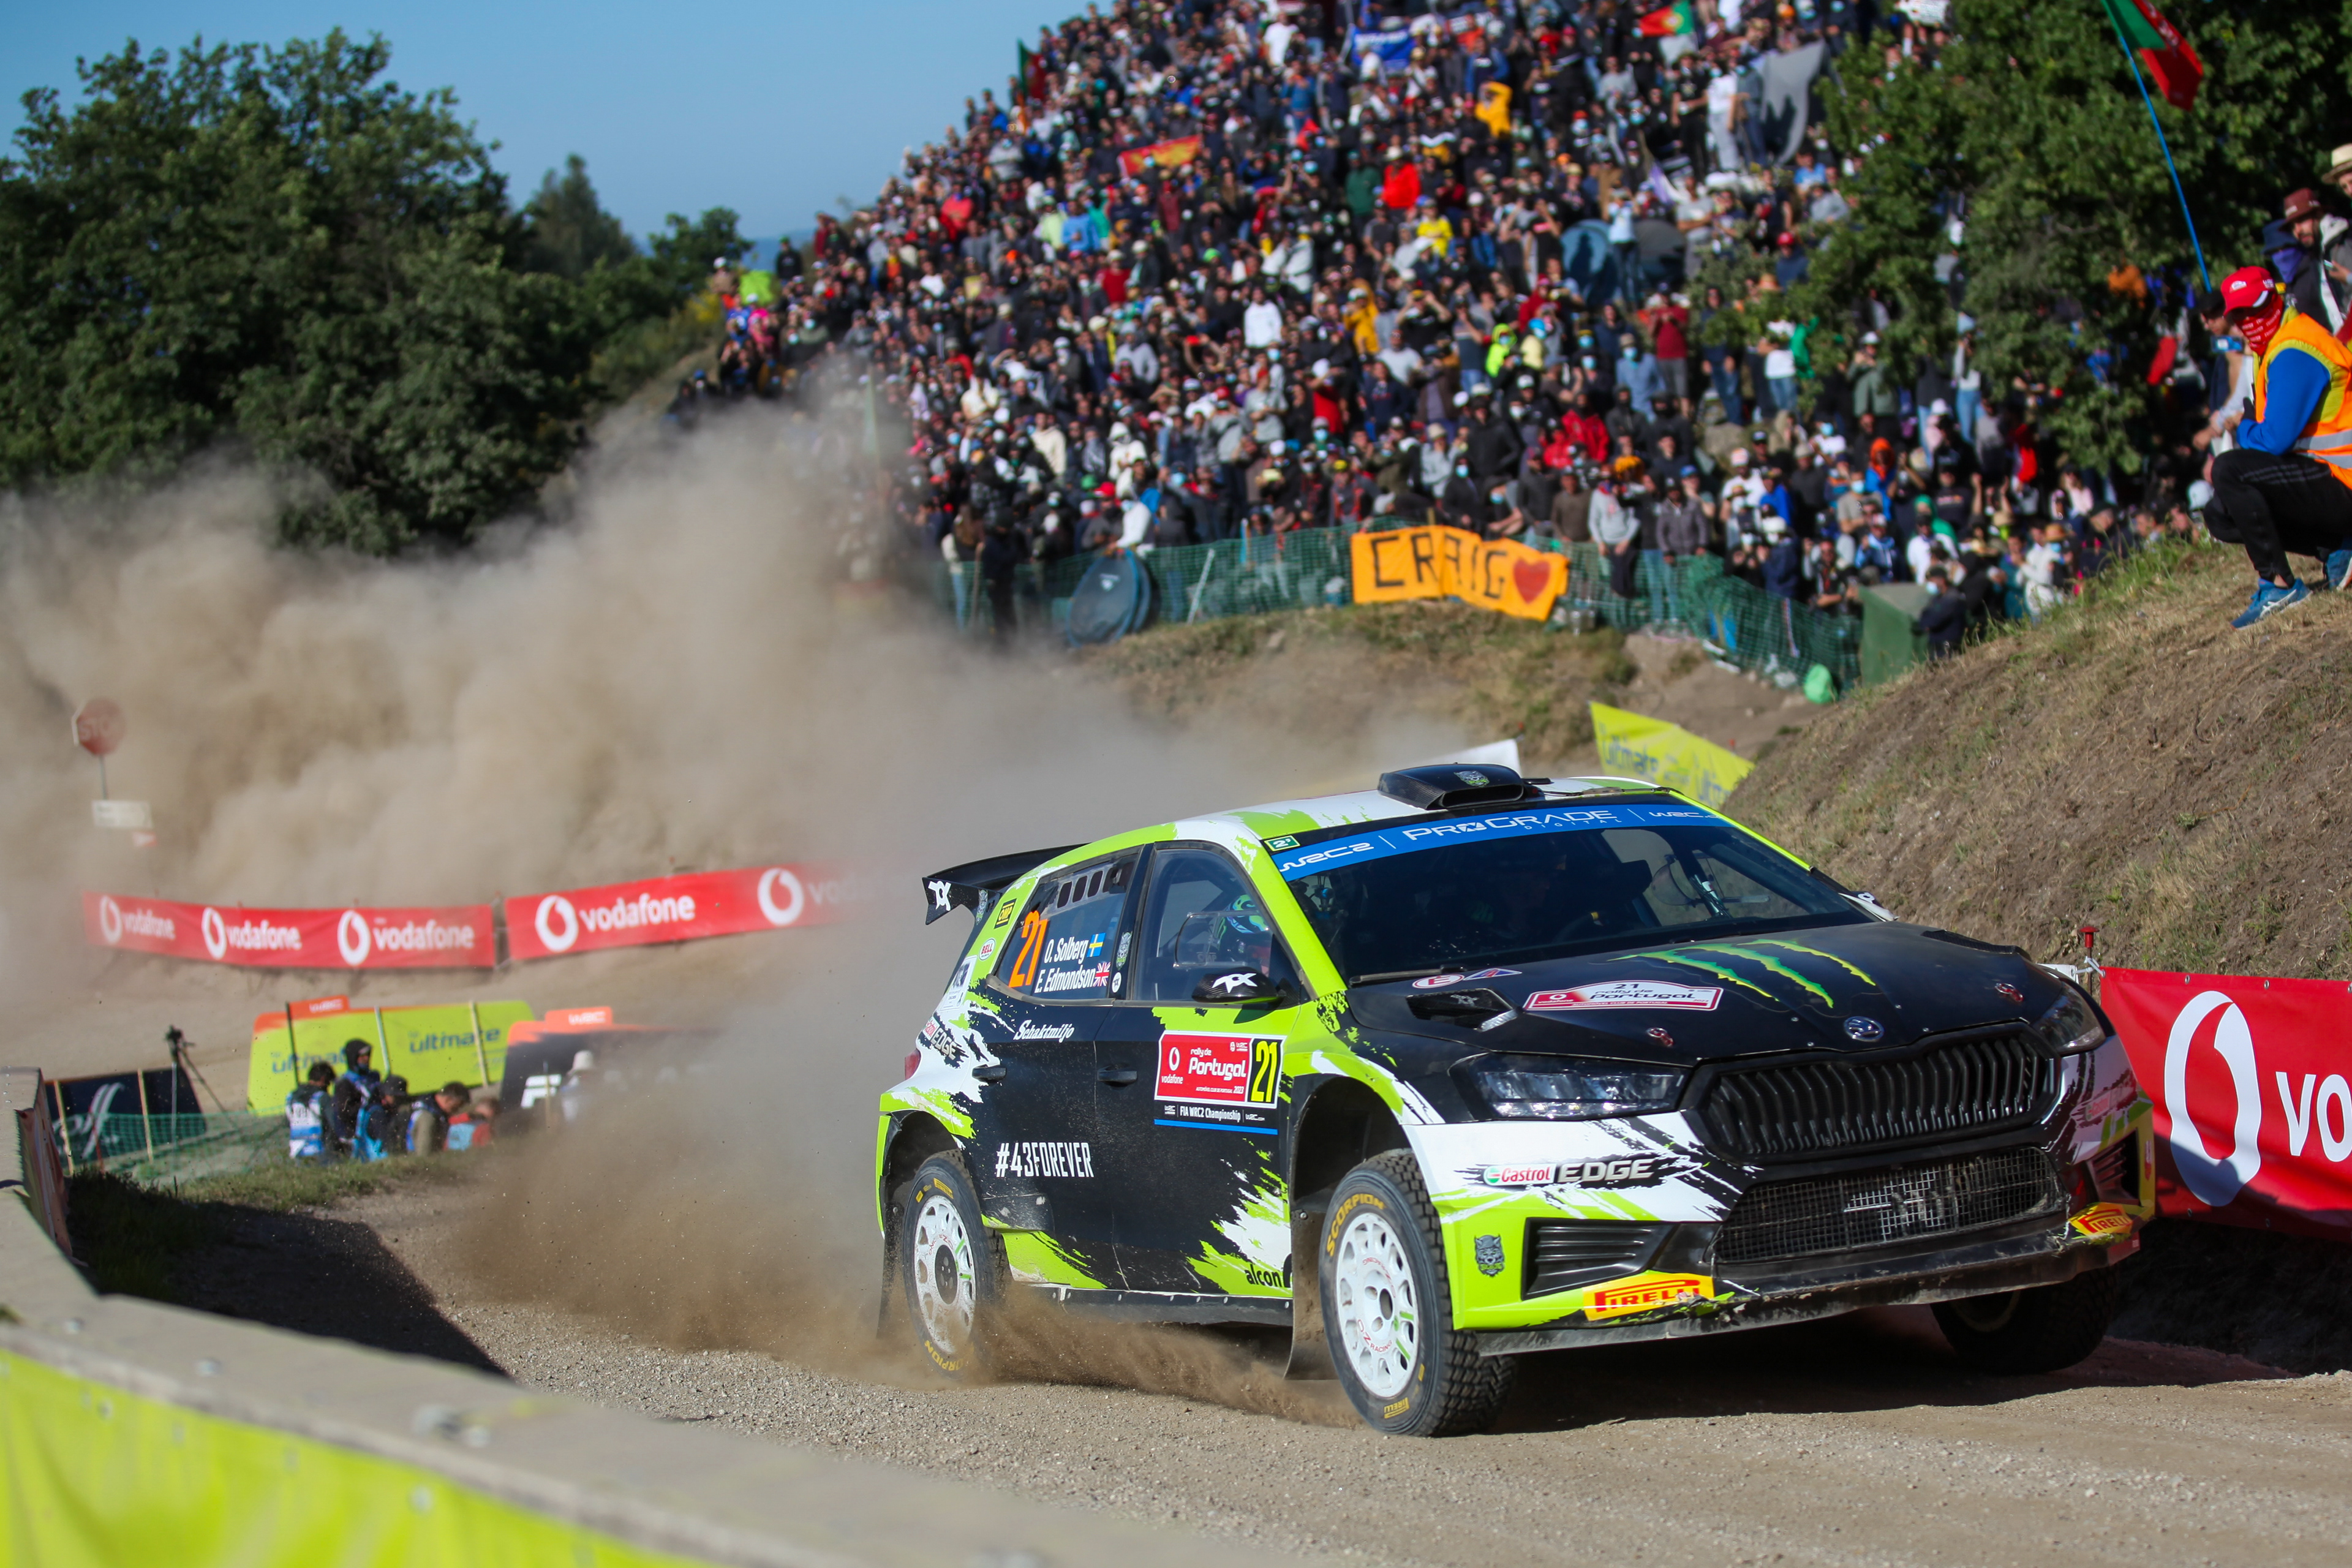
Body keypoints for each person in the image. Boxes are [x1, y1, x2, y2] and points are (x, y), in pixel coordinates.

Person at [2206, 266, 2352, 627]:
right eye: (2238, 315)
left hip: (2343, 479)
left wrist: (2246, 429)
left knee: (2228, 469)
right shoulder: (2270, 346)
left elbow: (2274, 440)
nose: (2245, 322)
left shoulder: (2296, 347)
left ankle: (2279, 584)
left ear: (2275, 299)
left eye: (2252, 311)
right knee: (2219, 514)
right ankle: (2338, 547)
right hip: (2324, 478)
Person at [285, 1061, 335, 1161]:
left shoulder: (291, 1097)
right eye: (329, 1083)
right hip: (318, 1151)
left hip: (297, 1151)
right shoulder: (322, 1098)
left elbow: (288, 1122)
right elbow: (334, 1124)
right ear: (323, 1080)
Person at [406, 1082, 473, 1155]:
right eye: (457, 1106)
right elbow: (424, 1153)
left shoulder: (432, 1111)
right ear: (448, 1100)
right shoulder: (428, 1117)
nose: (457, 1110)